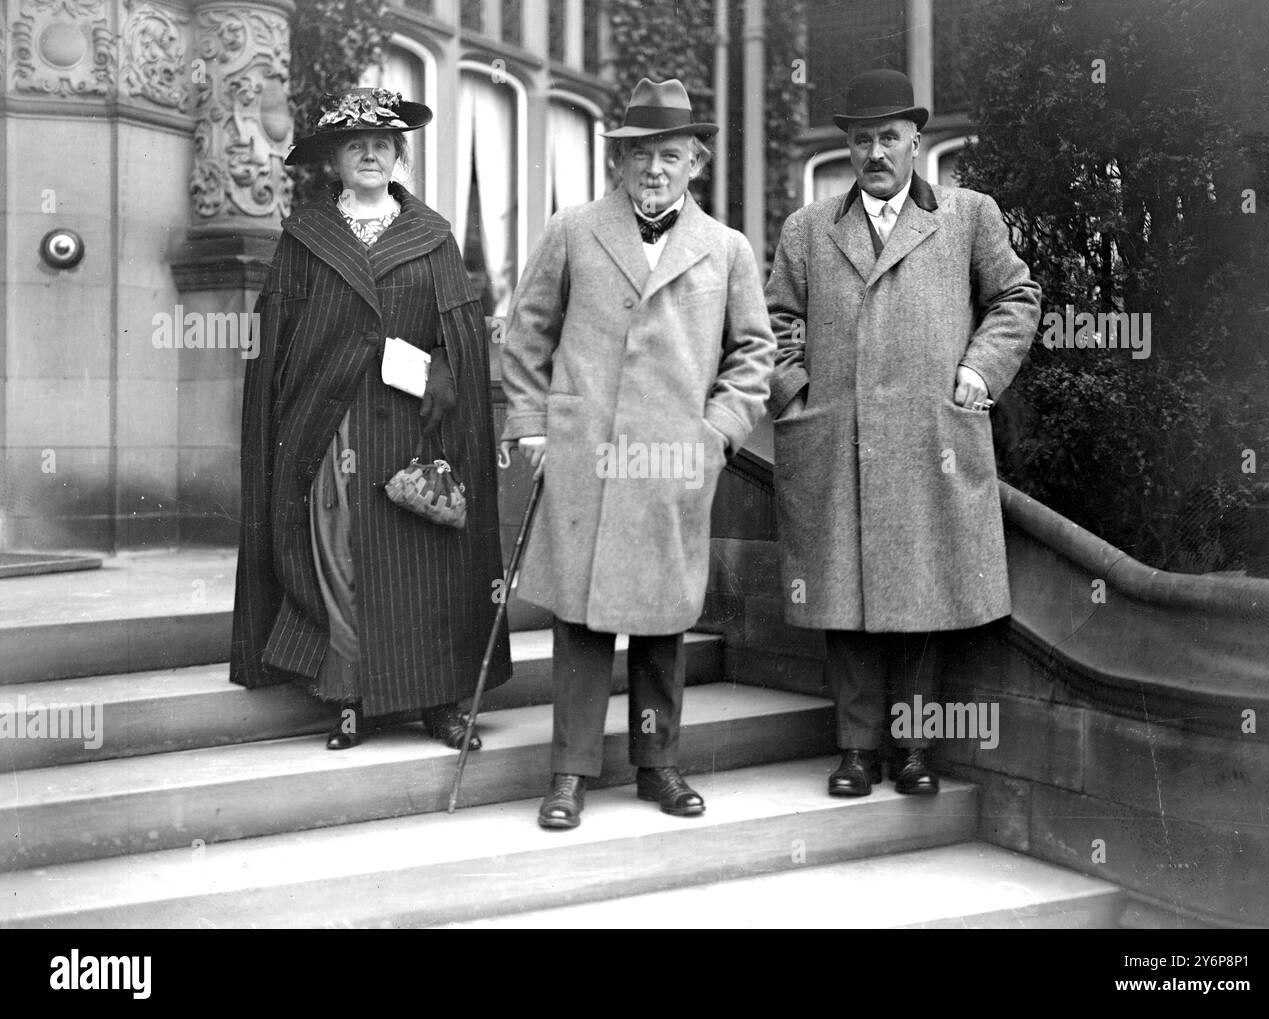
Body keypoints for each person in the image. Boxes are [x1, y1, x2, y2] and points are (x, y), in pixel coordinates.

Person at [500, 78, 775, 829]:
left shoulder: (727, 249)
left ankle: (659, 766)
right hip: (585, 452)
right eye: (640, 155)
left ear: (696, 162)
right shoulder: (572, 230)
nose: (655, 168)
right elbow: (526, 337)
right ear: (618, 163)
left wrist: (717, 434)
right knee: (582, 622)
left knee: (661, 622)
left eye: (671, 154)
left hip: (672, 463)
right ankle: (569, 773)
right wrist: (531, 426)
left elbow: (754, 354)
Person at [765, 70, 1041, 797]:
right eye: (862, 139)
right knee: (847, 599)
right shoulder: (807, 229)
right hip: (841, 442)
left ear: (916, 141)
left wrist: (981, 371)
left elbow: (1017, 295)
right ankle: (856, 750)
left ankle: (915, 749)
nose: (875, 152)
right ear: (849, 148)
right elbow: (777, 324)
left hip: (930, 439)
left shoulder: (968, 215)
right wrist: (800, 397)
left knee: (924, 593)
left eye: (889, 137)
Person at [231, 87, 510, 751]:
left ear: (398, 155)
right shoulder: (305, 237)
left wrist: (435, 371)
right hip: (330, 428)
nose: (369, 156)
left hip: (415, 431)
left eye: (381, 145)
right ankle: (349, 700)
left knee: (427, 566)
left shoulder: (434, 237)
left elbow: (463, 335)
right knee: (340, 561)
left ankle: (440, 702)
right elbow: (276, 338)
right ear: (334, 159)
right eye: (355, 146)